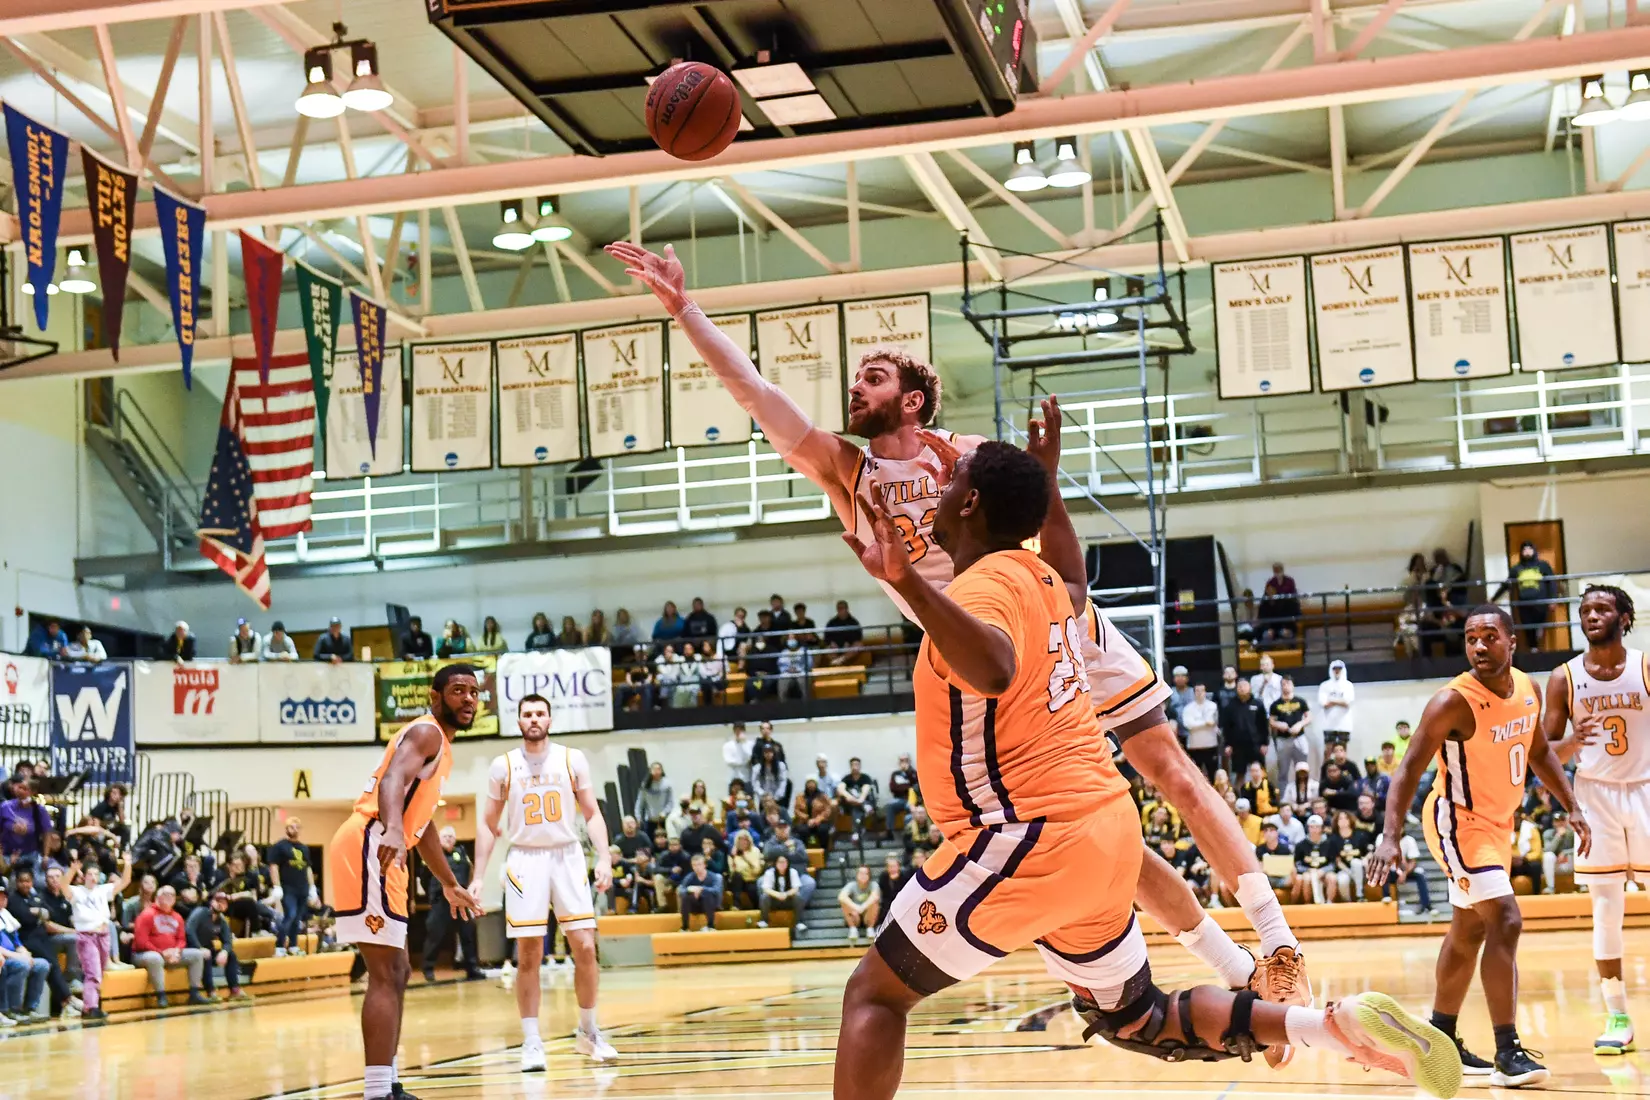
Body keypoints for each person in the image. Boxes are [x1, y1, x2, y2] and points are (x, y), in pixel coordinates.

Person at [611, 241, 1319, 1055]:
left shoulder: (971, 456)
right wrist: (684, 310)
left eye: (872, 377)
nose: (854, 387)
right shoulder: (847, 472)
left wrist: (1040, 479)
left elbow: (1047, 533)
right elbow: (756, 392)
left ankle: (1278, 946)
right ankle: (1233, 969)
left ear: (913, 400)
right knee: (1093, 815)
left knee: (1171, 772)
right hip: (986, 649)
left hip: (1049, 618)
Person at [824, 435, 1458, 1100]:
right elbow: (1073, 574)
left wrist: (903, 581)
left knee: (875, 995)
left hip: (1024, 840)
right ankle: (1326, 1027)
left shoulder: (983, 588)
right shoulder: (1041, 581)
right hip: (1106, 837)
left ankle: (1302, 1008)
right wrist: (1051, 482)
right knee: (1138, 1017)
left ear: (971, 502)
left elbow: (993, 665)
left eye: (951, 479)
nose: (941, 489)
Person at [1368, 605, 1589, 1088]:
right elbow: (1407, 770)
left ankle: (1439, 1040)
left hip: (1498, 826)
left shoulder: (1527, 689)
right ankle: (1507, 1051)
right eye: (1471, 638)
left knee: (1469, 930)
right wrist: (1389, 836)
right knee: (1505, 919)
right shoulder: (1453, 701)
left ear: (1513, 641)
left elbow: (1539, 753)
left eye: (1490, 636)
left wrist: (1571, 804)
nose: (1479, 646)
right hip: (1457, 822)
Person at [326, 664, 482, 1100]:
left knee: (398, 971)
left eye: (474, 692)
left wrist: (449, 882)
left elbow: (424, 824)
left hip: (386, 844)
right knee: (383, 972)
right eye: (457, 691)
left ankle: (388, 1083)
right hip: (371, 840)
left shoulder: (441, 747)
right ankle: (377, 1092)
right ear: (436, 697)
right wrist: (394, 827)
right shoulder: (427, 732)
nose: (468, 699)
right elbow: (393, 779)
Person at [473, 692, 616, 1071]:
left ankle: (588, 1033)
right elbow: (488, 826)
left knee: (585, 946)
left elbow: (592, 813)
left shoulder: (572, 758)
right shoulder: (502, 766)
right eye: (526, 714)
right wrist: (476, 877)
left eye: (540, 713)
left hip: (567, 856)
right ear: (518, 722)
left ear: (550, 720)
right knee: (530, 953)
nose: (533, 719)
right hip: (524, 860)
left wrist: (603, 857)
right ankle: (532, 1041)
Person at [1544, 584, 1647, 1056]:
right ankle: (1618, 1016)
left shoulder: (1645, 665)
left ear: (1624, 617)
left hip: (1647, 789)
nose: (1591, 616)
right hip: (1595, 797)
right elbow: (1541, 754)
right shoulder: (1563, 677)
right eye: (1585, 610)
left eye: (1602, 609)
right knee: (1607, 908)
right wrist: (1571, 744)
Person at [69, 853, 132, 1021]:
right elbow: (63, 886)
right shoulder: (77, 892)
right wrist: (72, 870)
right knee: (93, 973)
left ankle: (91, 1005)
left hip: (104, 936)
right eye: (90, 874)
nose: (93, 877)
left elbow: (125, 882)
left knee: (99, 973)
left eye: (96, 874)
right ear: (83, 876)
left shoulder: (103, 890)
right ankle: (91, 1008)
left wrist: (127, 864)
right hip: (87, 936)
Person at [133, 885, 210, 1007]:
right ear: (158, 896)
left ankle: (194, 994)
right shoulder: (147, 914)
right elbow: (141, 941)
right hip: (143, 955)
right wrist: (162, 952)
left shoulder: (177, 917)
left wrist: (176, 951)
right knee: (155, 958)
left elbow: (181, 939)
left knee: (197, 954)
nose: (170, 897)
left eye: (173, 895)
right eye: (166, 894)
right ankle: (161, 996)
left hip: (171, 954)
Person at [421, 827, 481, 982]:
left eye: (451, 836)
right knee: (435, 934)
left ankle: (472, 968)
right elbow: (424, 877)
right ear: (439, 839)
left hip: (460, 900)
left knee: (468, 933)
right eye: (445, 836)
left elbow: (469, 871)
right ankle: (428, 969)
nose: (448, 839)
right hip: (441, 901)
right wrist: (434, 894)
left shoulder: (461, 853)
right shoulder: (433, 854)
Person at [1492, 540, 1558, 653]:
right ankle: (1533, 650)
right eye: (1524, 549)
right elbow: (1507, 584)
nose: (1527, 551)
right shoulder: (1516, 569)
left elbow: (1551, 582)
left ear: (1534, 550)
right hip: (1524, 605)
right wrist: (1493, 599)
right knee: (1528, 628)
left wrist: (1553, 599)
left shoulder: (1543, 566)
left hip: (1540, 603)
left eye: (1529, 549)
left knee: (1539, 629)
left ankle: (1539, 648)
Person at [0, 878, 49, 1024]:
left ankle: (30, 1008)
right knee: (22, 965)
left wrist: (24, 952)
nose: (2, 900)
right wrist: (18, 956)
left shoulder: (7, 917)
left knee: (42, 965)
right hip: (6, 957)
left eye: (4, 898)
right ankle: (13, 1009)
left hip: (13, 955)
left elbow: (17, 942)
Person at [186, 890, 250, 1002]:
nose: (221, 904)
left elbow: (228, 941)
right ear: (211, 902)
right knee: (207, 956)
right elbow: (189, 930)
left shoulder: (222, 920)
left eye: (224, 903)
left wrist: (224, 951)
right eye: (218, 901)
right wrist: (199, 948)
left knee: (231, 955)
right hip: (191, 949)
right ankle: (211, 992)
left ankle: (234, 990)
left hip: (208, 949)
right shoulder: (200, 912)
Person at [267, 818, 314, 957]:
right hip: (288, 888)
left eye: (297, 827)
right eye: (291, 827)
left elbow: (308, 868)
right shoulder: (279, 846)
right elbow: (273, 866)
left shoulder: (304, 848)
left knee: (297, 918)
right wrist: (276, 886)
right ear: (286, 829)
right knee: (290, 915)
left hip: (302, 888)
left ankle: (293, 945)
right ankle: (280, 946)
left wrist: (312, 888)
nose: (294, 829)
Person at [1269, 678, 1312, 790]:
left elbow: (1309, 717)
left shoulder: (1300, 701)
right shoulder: (1275, 704)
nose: (1285, 686)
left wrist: (1300, 724)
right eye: (1283, 684)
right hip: (1283, 740)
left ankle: (1303, 794)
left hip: (1299, 738)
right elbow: (1271, 721)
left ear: (1293, 685)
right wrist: (1278, 724)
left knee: (1302, 768)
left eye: (1288, 684)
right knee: (1283, 771)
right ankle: (1284, 799)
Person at [1293, 815, 1338, 904]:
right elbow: (1297, 864)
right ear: (1308, 828)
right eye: (1311, 827)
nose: (1314, 829)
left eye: (1317, 827)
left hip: (1324, 871)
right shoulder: (1300, 845)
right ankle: (1308, 903)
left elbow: (1333, 863)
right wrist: (1309, 870)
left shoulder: (1329, 843)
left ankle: (1329, 903)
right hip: (1308, 872)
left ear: (1321, 828)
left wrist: (1323, 871)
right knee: (1306, 878)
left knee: (1332, 878)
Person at [1181, 683, 1221, 779]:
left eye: (1202, 690)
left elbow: (1212, 721)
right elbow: (1188, 724)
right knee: (1195, 776)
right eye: (1197, 691)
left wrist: (1197, 723)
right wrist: (1205, 723)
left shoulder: (1213, 706)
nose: (1199, 693)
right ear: (1194, 693)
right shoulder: (1188, 708)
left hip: (1210, 745)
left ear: (1205, 692)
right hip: (1194, 746)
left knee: (1212, 775)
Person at [758, 854, 806, 931]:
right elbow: (766, 889)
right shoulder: (769, 873)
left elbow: (796, 888)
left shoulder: (793, 872)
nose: (782, 864)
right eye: (780, 862)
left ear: (787, 863)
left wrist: (786, 894)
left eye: (784, 862)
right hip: (774, 901)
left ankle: (798, 922)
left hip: (788, 900)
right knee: (764, 897)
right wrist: (777, 895)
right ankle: (764, 920)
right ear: (775, 863)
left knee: (798, 897)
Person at [1258, 563, 1301, 646]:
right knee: (1266, 636)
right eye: (1275, 570)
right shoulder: (1270, 584)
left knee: (1288, 635)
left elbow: (1294, 613)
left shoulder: (1289, 582)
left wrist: (1286, 628)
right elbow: (1263, 617)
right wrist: (1269, 629)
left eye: (1278, 570)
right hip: (1272, 626)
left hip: (1286, 623)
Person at [677, 853, 723, 932]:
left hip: (710, 905)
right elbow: (680, 890)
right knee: (686, 897)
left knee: (707, 894)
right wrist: (689, 889)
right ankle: (685, 927)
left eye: (699, 864)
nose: (697, 867)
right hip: (695, 905)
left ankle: (710, 926)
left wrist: (702, 889)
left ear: (705, 865)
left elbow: (717, 890)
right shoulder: (690, 876)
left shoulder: (712, 876)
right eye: (694, 865)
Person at [1317, 661, 1356, 752]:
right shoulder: (1324, 685)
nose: (1337, 671)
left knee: (1342, 751)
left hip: (1344, 725)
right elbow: (1324, 704)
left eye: (1339, 669)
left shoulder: (1348, 685)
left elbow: (1348, 703)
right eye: (1335, 669)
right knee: (1328, 751)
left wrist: (1331, 700)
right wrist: (1340, 702)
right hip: (1329, 725)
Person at [839, 864, 882, 945]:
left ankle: (870, 928)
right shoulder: (852, 885)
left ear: (869, 875)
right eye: (860, 873)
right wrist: (857, 907)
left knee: (875, 902)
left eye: (865, 873)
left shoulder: (873, 885)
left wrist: (863, 907)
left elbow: (875, 896)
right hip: (855, 916)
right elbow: (841, 896)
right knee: (844, 902)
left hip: (868, 915)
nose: (863, 876)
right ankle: (853, 929)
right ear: (857, 875)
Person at [883, 754, 919, 838]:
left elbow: (916, 787)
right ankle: (889, 831)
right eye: (901, 760)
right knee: (890, 805)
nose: (903, 763)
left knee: (910, 808)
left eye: (906, 760)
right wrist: (907, 787)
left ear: (909, 762)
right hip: (899, 799)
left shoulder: (914, 773)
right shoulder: (895, 774)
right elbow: (893, 788)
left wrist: (908, 772)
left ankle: (909, 833)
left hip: (911, 799)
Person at [633, 762, 674, 834]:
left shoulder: (667, 784)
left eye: (658, 769)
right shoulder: (645, 785)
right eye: (654, 769)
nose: (656, 772)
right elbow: (639, 803)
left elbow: (670, 803)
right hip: (650, 821)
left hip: (664, 820)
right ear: (650, 771)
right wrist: (638, 818)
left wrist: (664, 812)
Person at [727, 832, 764, 910]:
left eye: (745, 840)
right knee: (737, 876)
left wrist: (744, 857)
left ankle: (758, 908)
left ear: (749, 841)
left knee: (752, 889)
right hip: (738, 881)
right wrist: (733, 857)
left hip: (751, 879)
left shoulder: (755, 851)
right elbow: (732, 871)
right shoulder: (733, 853)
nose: (743, 842)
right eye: (740, 840)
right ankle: (736, 905)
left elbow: (756, 870)